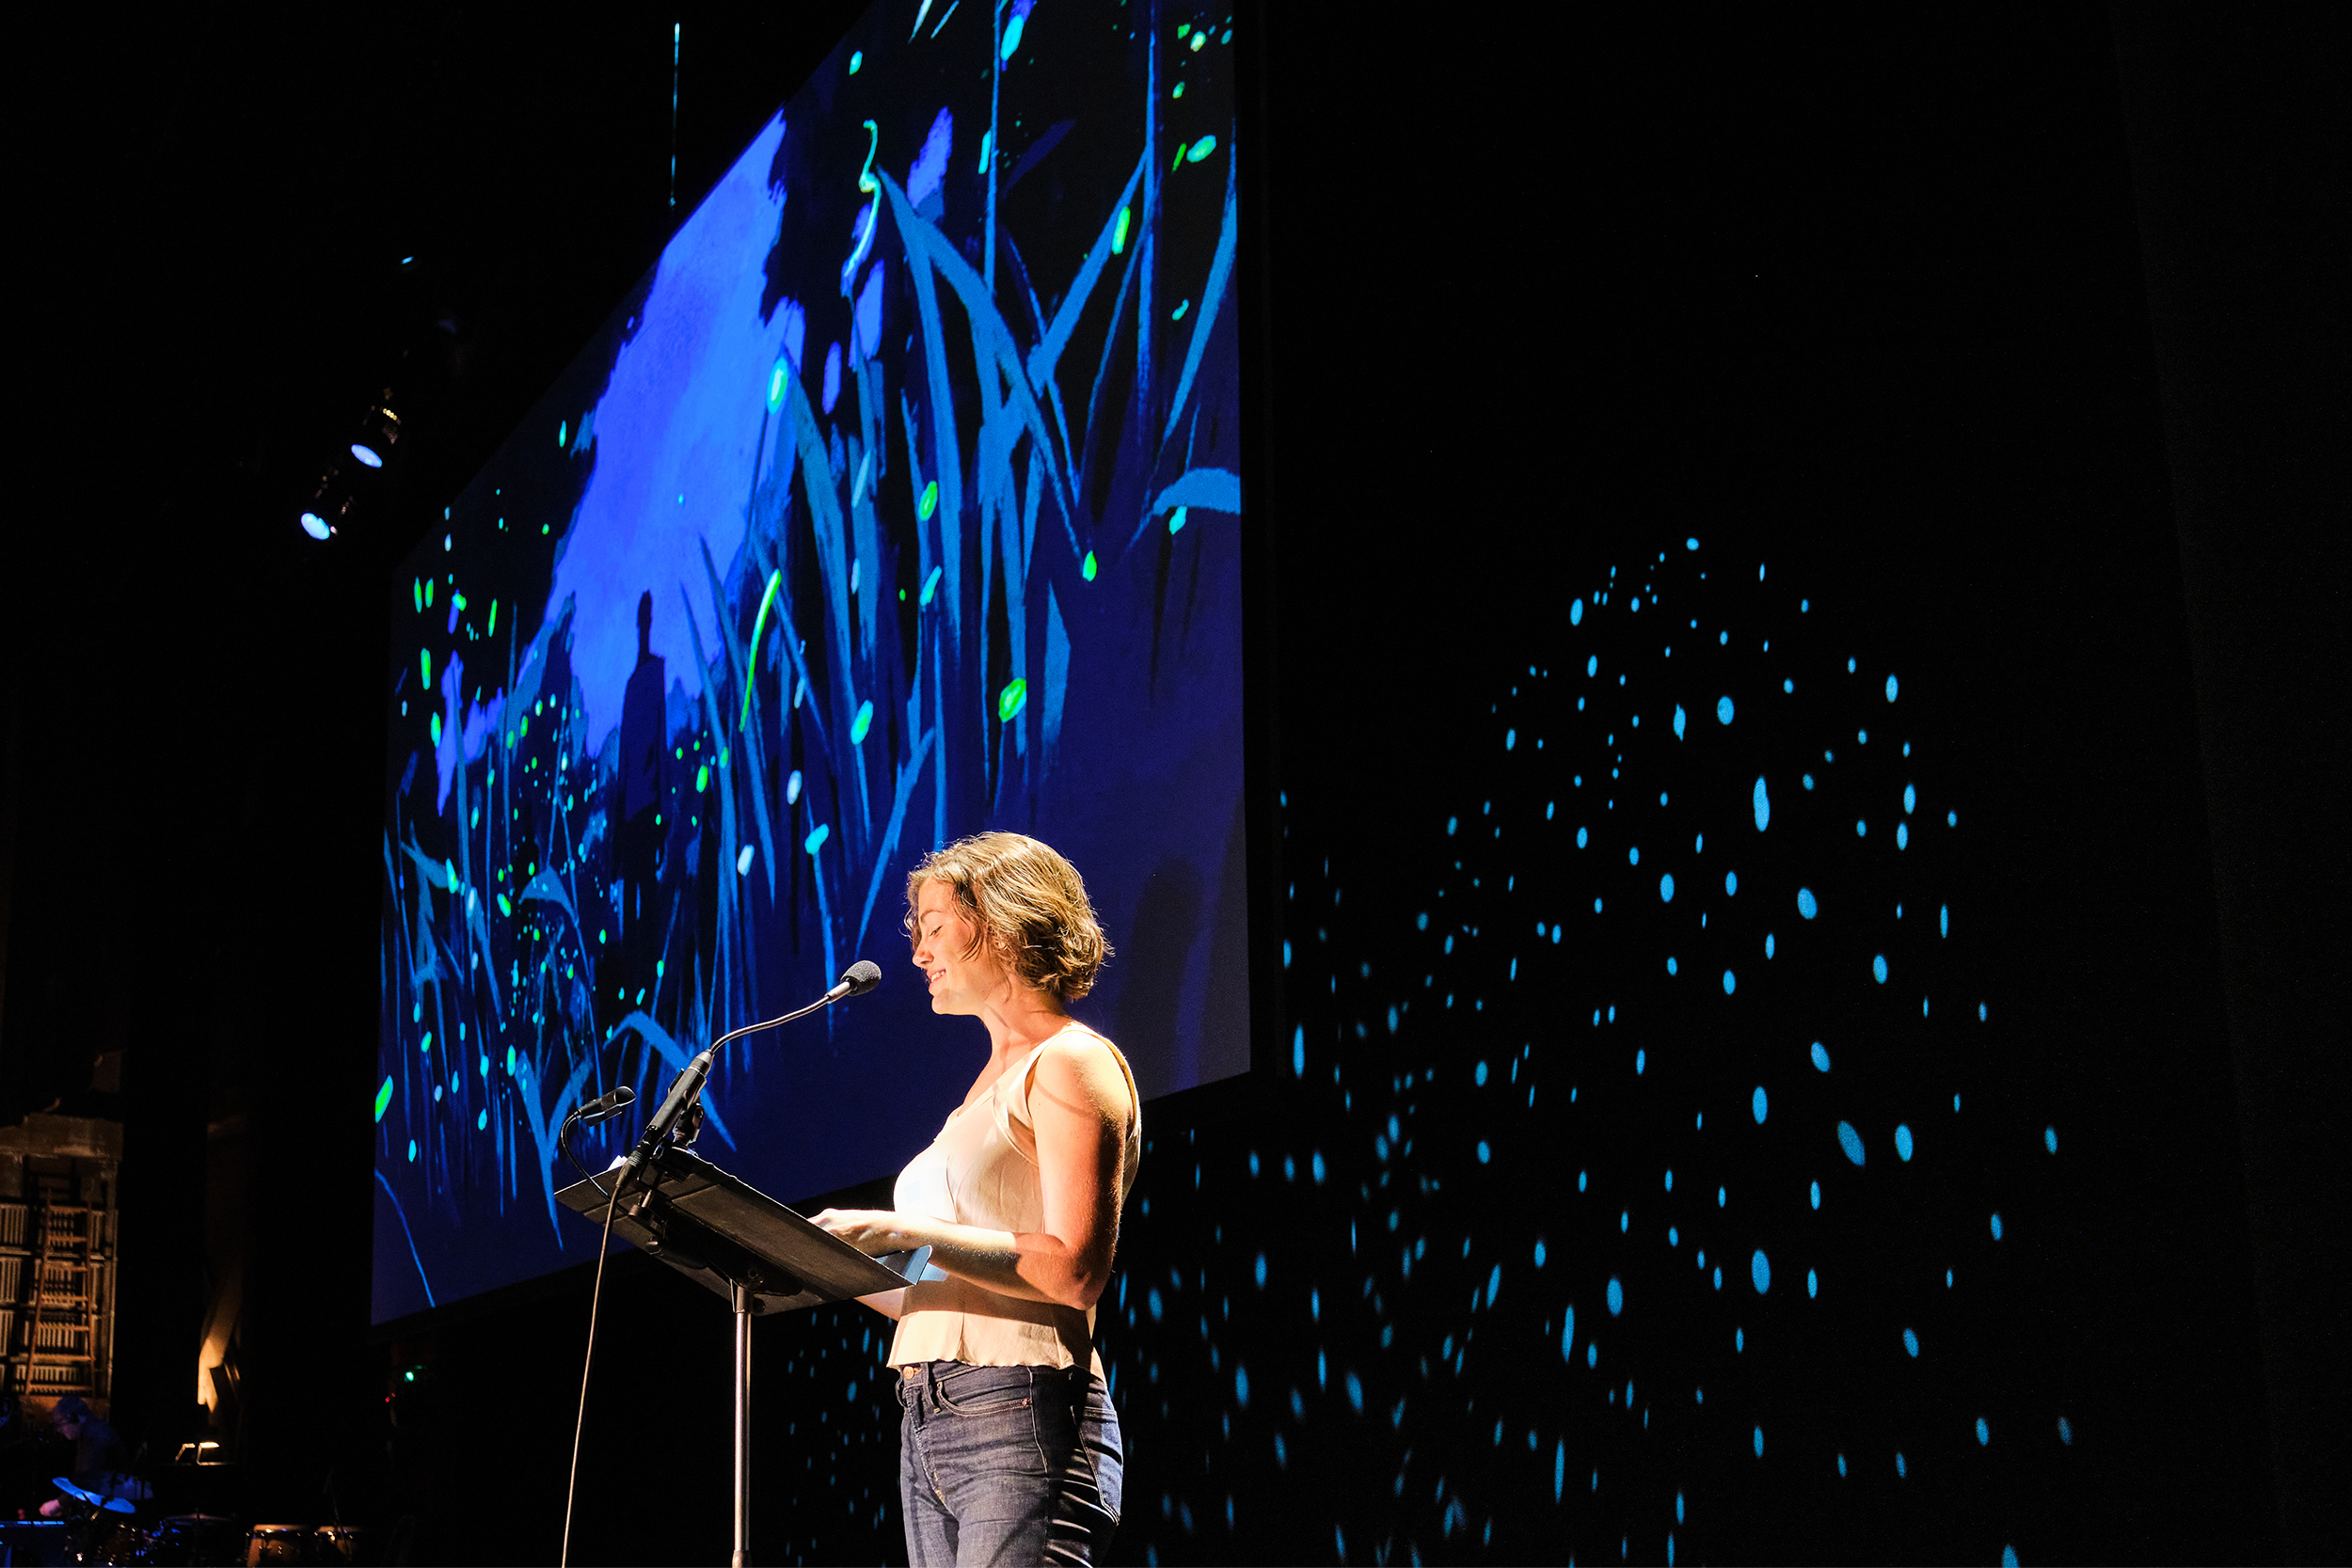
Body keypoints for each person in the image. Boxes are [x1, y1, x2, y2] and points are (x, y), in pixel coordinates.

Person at [813, 832, 1137, 1567]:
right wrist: (825, 1264)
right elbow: (946, 1291)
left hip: (1019, 1406)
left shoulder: (1070, 1062)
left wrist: (900, 1226)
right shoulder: (976, 1096)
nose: (919, 953)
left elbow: (1073, 1271)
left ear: (1004, 921)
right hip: (928, 1413)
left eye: (932, 927)